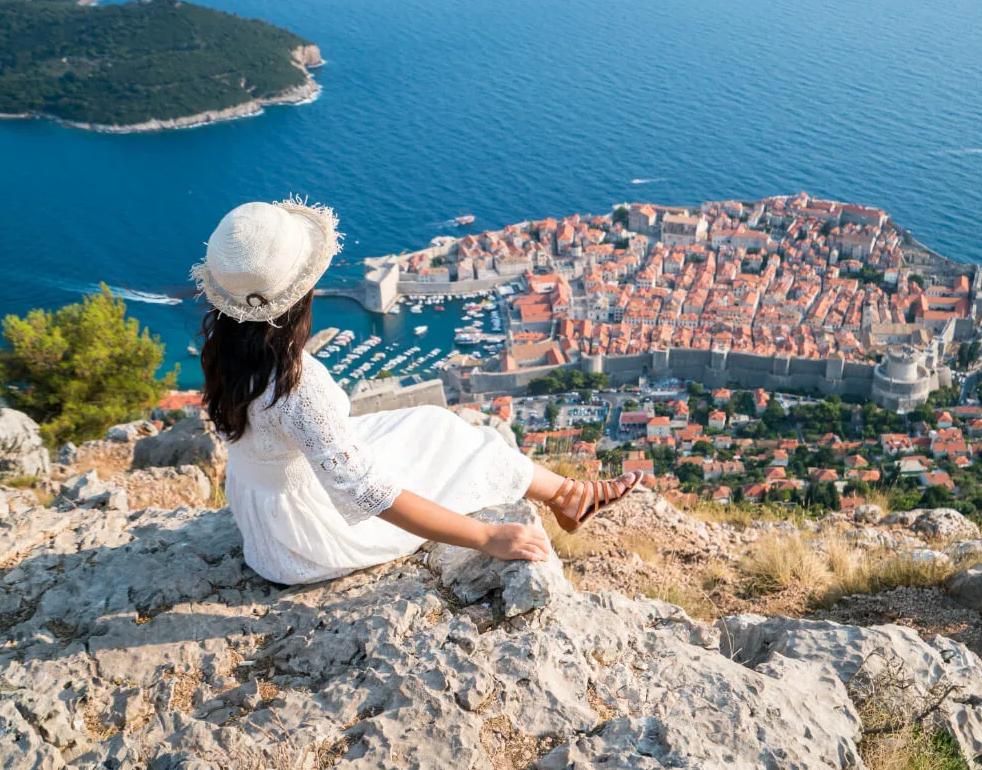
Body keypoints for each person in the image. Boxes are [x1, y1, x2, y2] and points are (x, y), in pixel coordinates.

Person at [192, 198, 648, 585]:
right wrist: (485, 538)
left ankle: (568, 495)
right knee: (470, 450)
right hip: (305, 541)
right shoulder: (297, 383)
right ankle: (570, 495)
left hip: (265, 515)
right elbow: (371, 495)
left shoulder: (224, 348)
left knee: (434, 422)